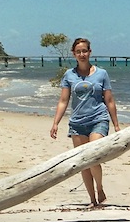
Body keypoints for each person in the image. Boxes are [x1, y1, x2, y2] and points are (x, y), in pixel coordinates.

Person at [49, 37, 121, 205]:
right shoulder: (69, 75)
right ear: (74, 54)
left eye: (85, 51)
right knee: (83, 163)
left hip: (98, 119)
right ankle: (92, 200)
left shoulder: (102, 74)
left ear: (90, 52)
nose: (82, 54)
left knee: (93, 156)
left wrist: (116, 124)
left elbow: (109, 100)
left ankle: (100, 188)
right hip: (77, 123)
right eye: (78, 51)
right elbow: (63, 101)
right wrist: (55, 123)